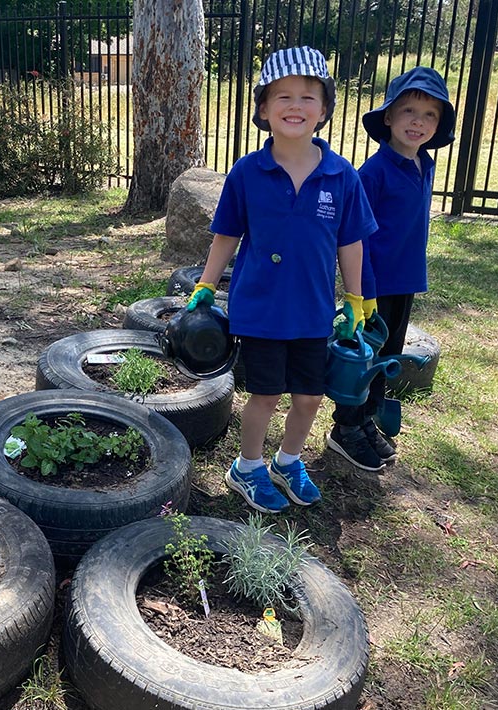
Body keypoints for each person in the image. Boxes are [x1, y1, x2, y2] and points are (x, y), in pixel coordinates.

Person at [187, 46, 377, 513]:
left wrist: (355, 297)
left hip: (313, 310)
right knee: (266, 395)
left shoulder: (342, 176)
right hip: (260, 308)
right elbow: (226, 233)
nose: (296, 106)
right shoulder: (247, 173)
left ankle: (288, 460)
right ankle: (248, 467)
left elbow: (350, 241)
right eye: (283, 96)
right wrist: (206, 285)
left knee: (310, 397)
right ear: (264, 109)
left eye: (308, 97)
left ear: (325, 109)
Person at [326, 66, 456, 471]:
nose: (418, 122)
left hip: (405, 281)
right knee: (362, 358)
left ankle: (367, 420)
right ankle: (345, 428)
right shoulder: (374, 173)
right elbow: (353, 236)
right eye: (409, 111)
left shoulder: (425, 165)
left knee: (387, 357)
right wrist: (360, 291)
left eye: (430, 114)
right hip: (373, 285)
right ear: (388, 117)